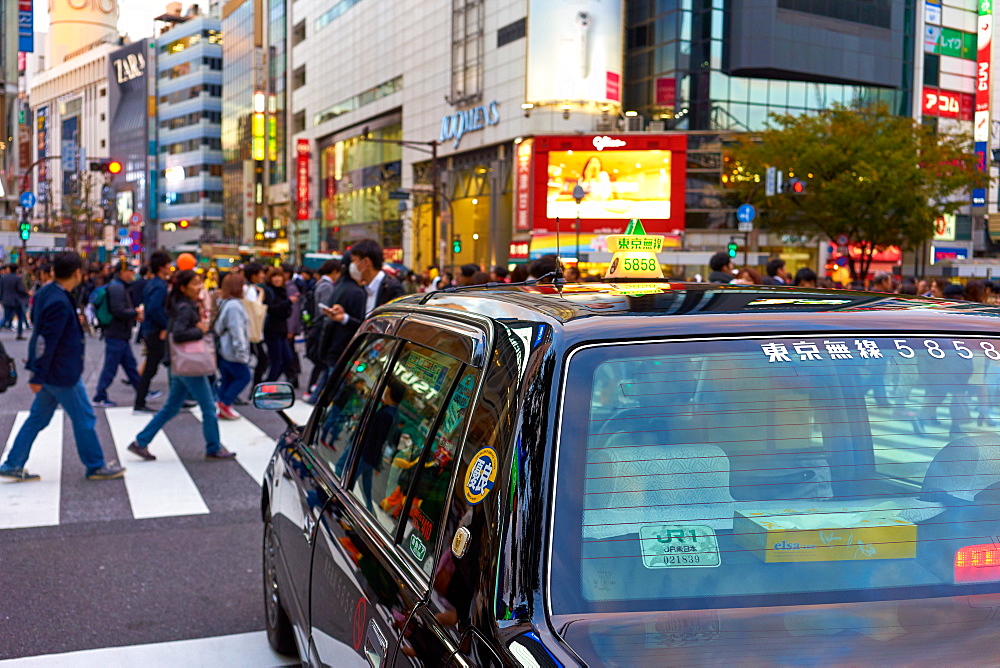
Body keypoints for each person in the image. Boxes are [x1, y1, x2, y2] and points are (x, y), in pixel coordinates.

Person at [0, 253, 125, 481]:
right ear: (77, 272)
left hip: (52, 371)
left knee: (38, 418)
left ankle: (12, 463)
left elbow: (42, 334)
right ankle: (95, 465)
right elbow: (46, 341)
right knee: (84, 417)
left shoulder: (47, 292)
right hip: (61, 372)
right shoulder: (58, 300)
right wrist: (38, 375)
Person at [126, 270, 236, 462]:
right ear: (183, 287)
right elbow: (178, 334)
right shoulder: (186, 307)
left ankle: (141, 442)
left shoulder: (181, 304)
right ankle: (214, 447)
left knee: (171, 407)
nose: (199, 287)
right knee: (208, 407)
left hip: (180, 363)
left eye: (199, 283)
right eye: (194, 284)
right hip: (190, 364)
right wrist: (199, 331)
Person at [309, 255, 366, 403]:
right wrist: (344, 318)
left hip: (331, 346)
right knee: (336, 394)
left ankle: (313, 405)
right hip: (343, 348)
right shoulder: (356, 292)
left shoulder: (339, 287)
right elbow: (360, 324)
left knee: (327, 382)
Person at [92, 261, 143, 407]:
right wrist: (135, 313)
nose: (132, 274)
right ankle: (99, 396)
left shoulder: (119, 286)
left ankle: (142, 390)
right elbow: (118, 310)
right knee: (110, 366)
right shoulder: (117, 288)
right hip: (116, 332)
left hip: (119, 332)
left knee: (130, 365)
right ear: (122, 272)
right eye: (130, 271)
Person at [328, 239, 404, 325]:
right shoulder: (366, 289)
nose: (352, 266)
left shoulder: (391, 288)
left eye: (354, 261)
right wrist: (344, 318)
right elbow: (365, 326)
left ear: (366, 262)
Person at [134, 252, 171, 413]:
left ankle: (178, 398)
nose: (170, 267)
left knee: (163, 364)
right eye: (168, 264)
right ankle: (140, 402)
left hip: (150, 329)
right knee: (154, 366)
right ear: (162, 267)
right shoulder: (160, 285)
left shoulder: (151, 283)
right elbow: (155, 308)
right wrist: (165, 326)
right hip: (156, 331)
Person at [214, 272, 251, 420]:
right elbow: (237, 331)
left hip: (224, 349)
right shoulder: (235, 306)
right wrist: (242, 352)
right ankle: (225, 403)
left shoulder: (225, 303)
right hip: (232, 350)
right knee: (244, 377)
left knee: (228, 378)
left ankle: (223, 405)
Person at [263, 266, 295, 382]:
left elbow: (286, 312)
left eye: (279, 276)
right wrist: (288, 303)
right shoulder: (269, 291)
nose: (277, 279)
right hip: (272, 330)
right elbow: (272, 309)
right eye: (274, 276)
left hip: (281, 330)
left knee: (288, 359)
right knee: (276, 361)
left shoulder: (283, 291)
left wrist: (287, 305)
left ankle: (269, 383)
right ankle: (267, 386)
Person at [244, 263, 269, 389]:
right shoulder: (252, 290)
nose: (263, 276)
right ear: (254, 275)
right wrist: (262, 295)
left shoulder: (246, 288)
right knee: (262, 360)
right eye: (261, 273)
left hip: (249, 330)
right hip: (252, 331)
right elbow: (256, 309)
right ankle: (256, 388)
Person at [1, 263, 29, 339]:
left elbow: (1, 289)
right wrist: (27, 293)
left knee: (6, 318)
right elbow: (20, 290)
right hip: (16, 301)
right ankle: (19, 334)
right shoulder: (18, 278)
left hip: (6, 300)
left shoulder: (4, 278)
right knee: (20, 317)